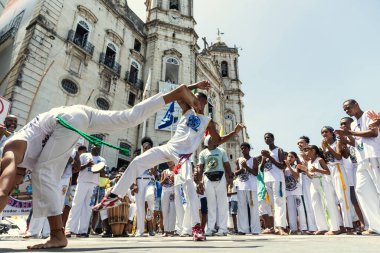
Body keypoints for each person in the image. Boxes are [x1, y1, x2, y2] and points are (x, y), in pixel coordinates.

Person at [0, 82, 206, 249]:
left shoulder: (9, 153)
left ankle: (57, 235)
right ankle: (176, 93)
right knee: (130, 117)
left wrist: (6, 189)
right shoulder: (21, 150)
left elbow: (3, 190)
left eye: (15, 181)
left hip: (66, 119)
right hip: (78, 114)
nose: (17, 185)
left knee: (43, 173)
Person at [95, 89, 245, 241]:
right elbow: (180, 92)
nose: (194, 101)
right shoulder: (186, 110)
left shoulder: (207, 121)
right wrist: (196, 86)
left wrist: (235, 131)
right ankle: (114, 196)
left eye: (197, 99)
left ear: (205, 102)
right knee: (137, 161)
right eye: (193, 98)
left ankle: (196, 227)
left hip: (183, 156)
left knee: (188, 184)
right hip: (168, 148)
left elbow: (218, 140)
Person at [335, 100, 380, 235]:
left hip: (373, 156)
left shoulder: (367, 114)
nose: (347, 110)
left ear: (356, 105)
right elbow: (357, 143)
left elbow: (373, 133)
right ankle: (375, 225)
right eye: (345, 109)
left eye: (348, 107)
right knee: (361, 190)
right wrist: (346, 138)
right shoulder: (353, 124)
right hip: (361, 160)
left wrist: (350, 133)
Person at [65, 146, 106, 237]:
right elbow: (78, 168)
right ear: (91, 148)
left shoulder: (102, 160)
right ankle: (69, 229)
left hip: (94, 184)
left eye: (97, 147)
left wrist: (101, 170)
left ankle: (82, 230)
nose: (94, 148)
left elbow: (103, 174)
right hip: (82, 182)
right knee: (76, 205)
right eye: (93, 146)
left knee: (88, 207)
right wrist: (87, 165)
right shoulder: (84, 155)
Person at [321, 126, 353, 234]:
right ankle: (339, 226)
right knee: (333, 200)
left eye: (326, 132)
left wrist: (328, 148)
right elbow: (326, 160)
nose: (324, 134)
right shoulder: (324, 145)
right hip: (329, 171)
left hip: (338, 168)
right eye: (322, 132)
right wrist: (324, 150)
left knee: (342, 198)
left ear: (331, 133)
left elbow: (339, 157)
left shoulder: (337, 142)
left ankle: (349, 226)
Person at [198, 135, 232, 236]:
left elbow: (227, 164)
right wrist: (200, 180)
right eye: (211, 139)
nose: (214, 141)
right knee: (211, 204)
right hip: (208, 177)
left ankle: (222, 228)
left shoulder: (221, 151)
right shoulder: (203, 153)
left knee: (222, 204)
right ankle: (210, 228)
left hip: (220, 177)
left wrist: (230, 177)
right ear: (207, 142)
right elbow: (200, 167)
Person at [303, 145, 341, 235]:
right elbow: (310, 176)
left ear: (313, 151)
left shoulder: (319, 159)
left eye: (307, 150)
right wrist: (305, 171)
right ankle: (322, 227)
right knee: (315, 204)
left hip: (322, 182)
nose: (305, 152)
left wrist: (317, 170)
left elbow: (328, 172)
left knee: (328, 204)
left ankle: (335, 228)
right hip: (313, 183)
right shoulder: (308, 162)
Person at [339, 117, 365, 231]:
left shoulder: (358, 134)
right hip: (352, 174)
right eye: (341, 124)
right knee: (355, 201)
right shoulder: (346, 140)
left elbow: (357, 144)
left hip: (364, 166)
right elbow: (345, 156)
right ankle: (363, 223)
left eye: (345, 123)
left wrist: (348, 136)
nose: (342, 125)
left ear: (352, 123)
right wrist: (342, 143)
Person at [260, 133, 287, 235]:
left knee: (279, 202)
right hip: (267, 180)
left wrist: (270, 157)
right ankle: (276, 227)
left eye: (269, 137)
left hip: (277, 179)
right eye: (265, 138)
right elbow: (262, 169)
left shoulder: (278, 150)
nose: (267, 139)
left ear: (273, 139)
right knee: (272, 205)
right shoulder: (265, 153)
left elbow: (282, 166)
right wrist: (263, 158)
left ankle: (281, 227)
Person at [234, 142, 260, 235]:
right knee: (241, 208)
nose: (243, 150)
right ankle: (242, 229)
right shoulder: (238, 160)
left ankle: (255, 230)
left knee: (253, 208)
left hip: (251, 187)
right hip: (241, 187)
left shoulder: (254, 160)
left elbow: (256, 173)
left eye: (245, 148)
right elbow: (235, 173)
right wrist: (241, 169)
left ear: (249, 149)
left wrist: (246, 167)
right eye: (242, 148)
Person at [134, 137, 156, 237]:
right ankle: (140, 230)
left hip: (149, 181)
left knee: (150, 195)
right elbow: (134, 172)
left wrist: (153, 167)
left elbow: (154, 173)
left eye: (148, 147)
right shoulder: (138, 158)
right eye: (145, 147)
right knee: (139, 207)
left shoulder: (154, 157)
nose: (146, 148)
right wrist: (134, 184)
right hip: (139, 181)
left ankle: (150, 213)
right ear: (143, 148)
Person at [296, 136, 317, 234]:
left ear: (307, 143)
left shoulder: (313, 151)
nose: (299, 145)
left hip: (314, 178)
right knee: (308, 204)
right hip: (304, 179)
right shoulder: (298, 155)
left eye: (301, 142)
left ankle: (320, 226)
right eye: (298, 143)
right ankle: (312, 227)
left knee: (315, 202)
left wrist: (306, 158)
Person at [284, 152, 307, 234]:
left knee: (300, 209)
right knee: (291, 211)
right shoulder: (284, 168)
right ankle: (293, 228)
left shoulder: (296, 166)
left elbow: (296, 176)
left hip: (297, 191)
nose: (289, 158)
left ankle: (303, 228)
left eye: (292, 157)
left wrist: (289, 167)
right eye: (288, 156)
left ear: (295, 158)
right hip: (288, 192)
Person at [160, 161, 176, 236]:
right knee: (165, 211)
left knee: (172, 210)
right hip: (165, 192)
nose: (169, 162)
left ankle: (172, 230)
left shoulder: (176, 171)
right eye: (168, 161)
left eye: (170, 161)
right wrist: (165, 179)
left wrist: (173, 179)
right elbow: (161, 183)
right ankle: (166, 230)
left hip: (173, 192)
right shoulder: (164, 171)